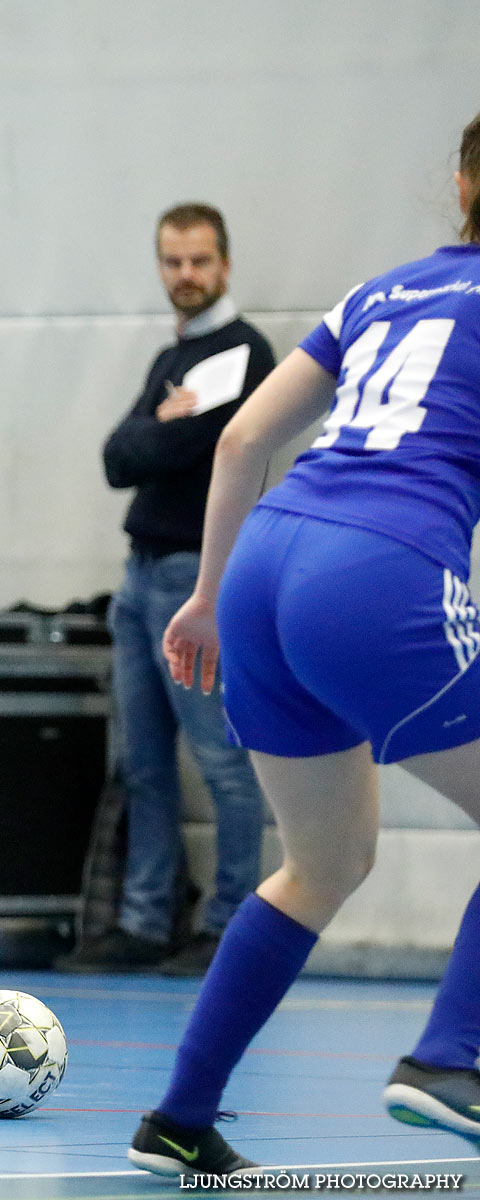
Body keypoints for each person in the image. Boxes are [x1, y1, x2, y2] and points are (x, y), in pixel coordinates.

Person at [127, 112, 480, 1178]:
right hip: (377, 571)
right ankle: (447, 1061)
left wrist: (205, 595)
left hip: (269, 561)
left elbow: (241, 438)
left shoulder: (380, 290)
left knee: (324, 861)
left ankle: (180, 1117)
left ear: (459, 185)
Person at [57, 203, 274, 977]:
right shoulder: (173, 357)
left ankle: (232, 925)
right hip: (140, 573)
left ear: (224, 263)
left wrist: (160, 427)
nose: (185, 276)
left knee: (220, 756)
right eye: (173, 262)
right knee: (143, 761)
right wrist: (158, 425)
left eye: (199, 262)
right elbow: (119, 457)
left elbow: (184, 444)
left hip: (196, 576)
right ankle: (147, 923)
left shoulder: (244, 354)